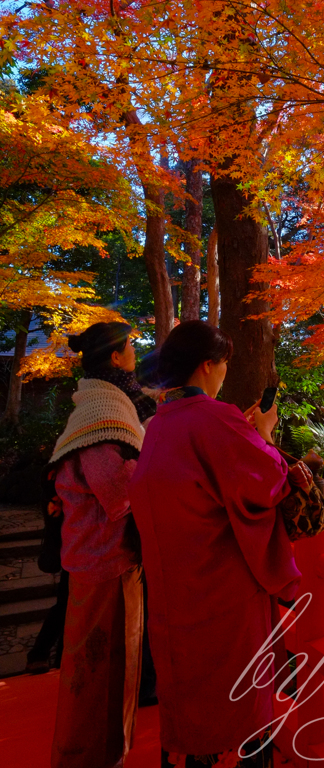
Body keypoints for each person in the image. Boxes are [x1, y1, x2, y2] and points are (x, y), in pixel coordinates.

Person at [128, 320, 301, 768]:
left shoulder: (163, 421)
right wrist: (261, 435)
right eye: (223, 364)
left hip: (175, 586)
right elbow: (266, 481)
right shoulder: (214, 417)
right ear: (208, 366)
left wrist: (239, 433)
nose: (225, 373)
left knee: (188, 691)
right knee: (238, 698)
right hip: (220, 589)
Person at [49, 320, 155, 768]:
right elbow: (119, 496)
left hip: (98, 557)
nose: (134, 354)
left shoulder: (99, 404)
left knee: (104, 669)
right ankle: (90, 758)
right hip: (105, 561)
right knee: (100, 672)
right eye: (131, 347)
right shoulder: (105, 416)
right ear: (115, 358)